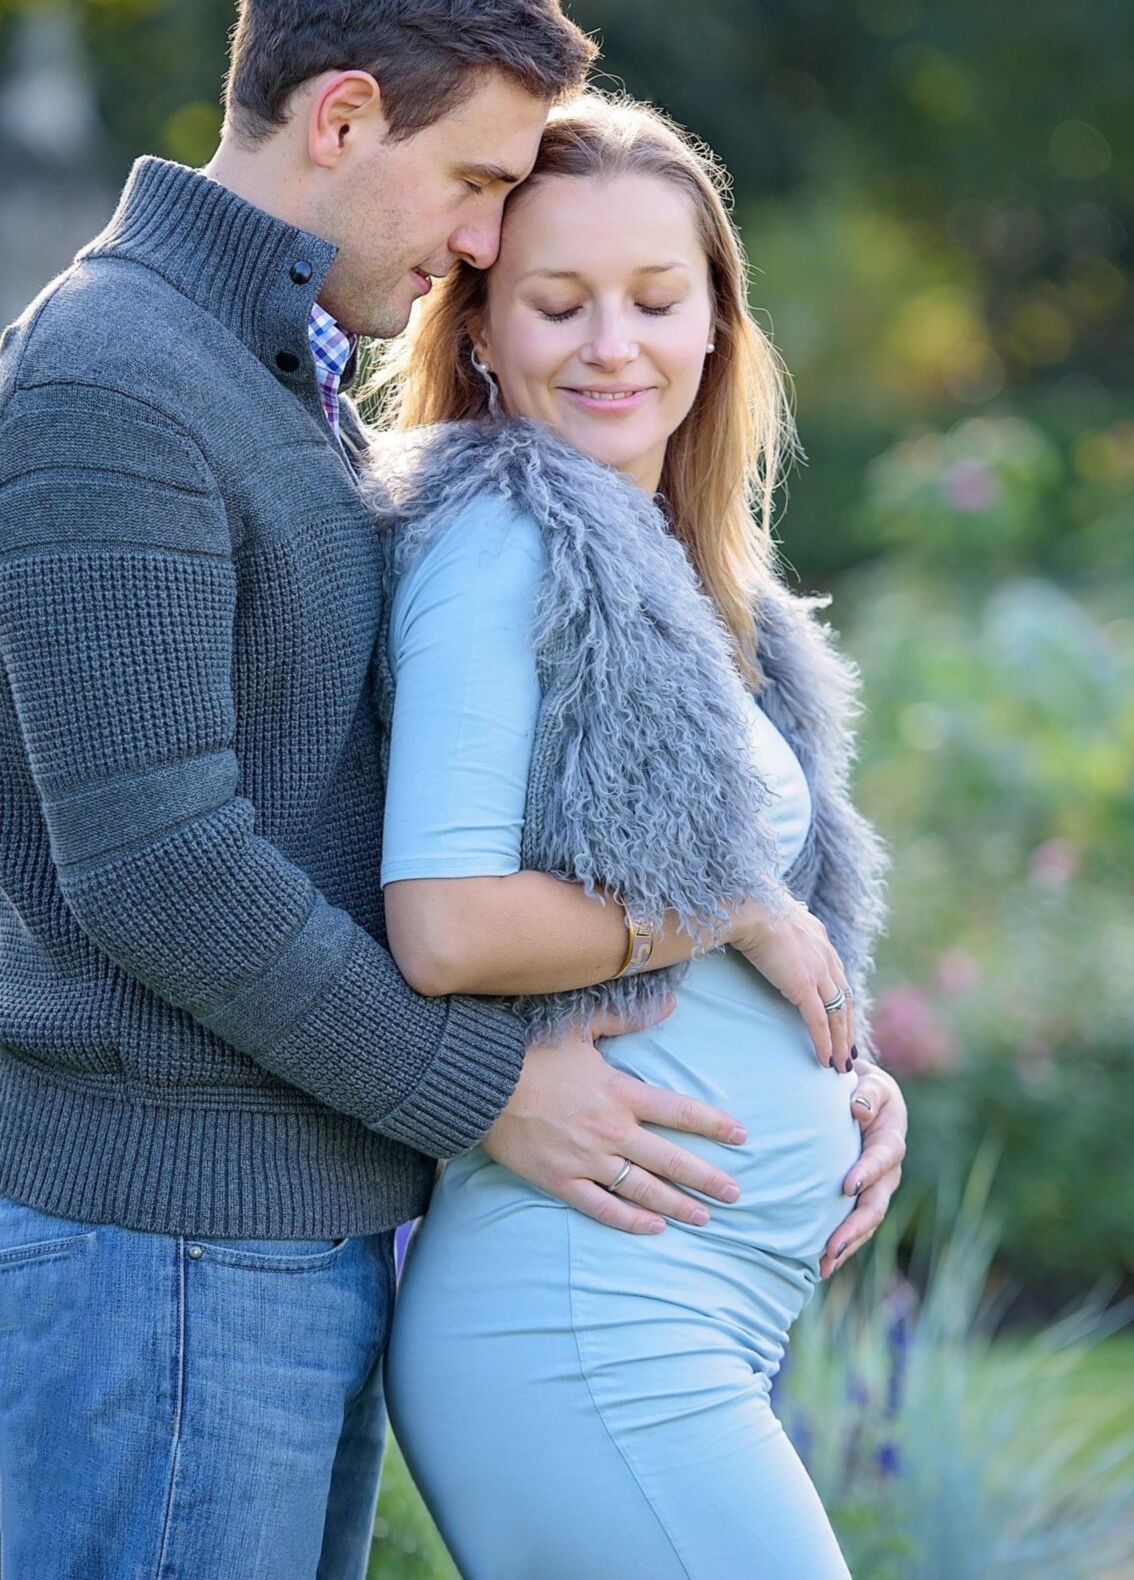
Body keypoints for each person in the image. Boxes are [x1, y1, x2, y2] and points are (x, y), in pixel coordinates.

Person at [0, 0, 907, 1574]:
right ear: (340, 118)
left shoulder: (256, 370)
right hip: (170, 1235)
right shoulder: (116, 385)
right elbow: (164, 874)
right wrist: (491, 1089)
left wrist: (778, 995)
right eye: (470, 182)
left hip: (290, 1220)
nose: (478, 239)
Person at [365, 90, 892, 1577]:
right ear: (478, 327)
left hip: (670, 1309)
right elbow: (446, 923)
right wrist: (732, 906)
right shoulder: (497, 536)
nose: (614, 345)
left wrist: (847, 1073)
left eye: (657, 299)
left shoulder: (691, 580)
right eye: (559, 303)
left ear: (720, 322)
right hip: (586, 1324)